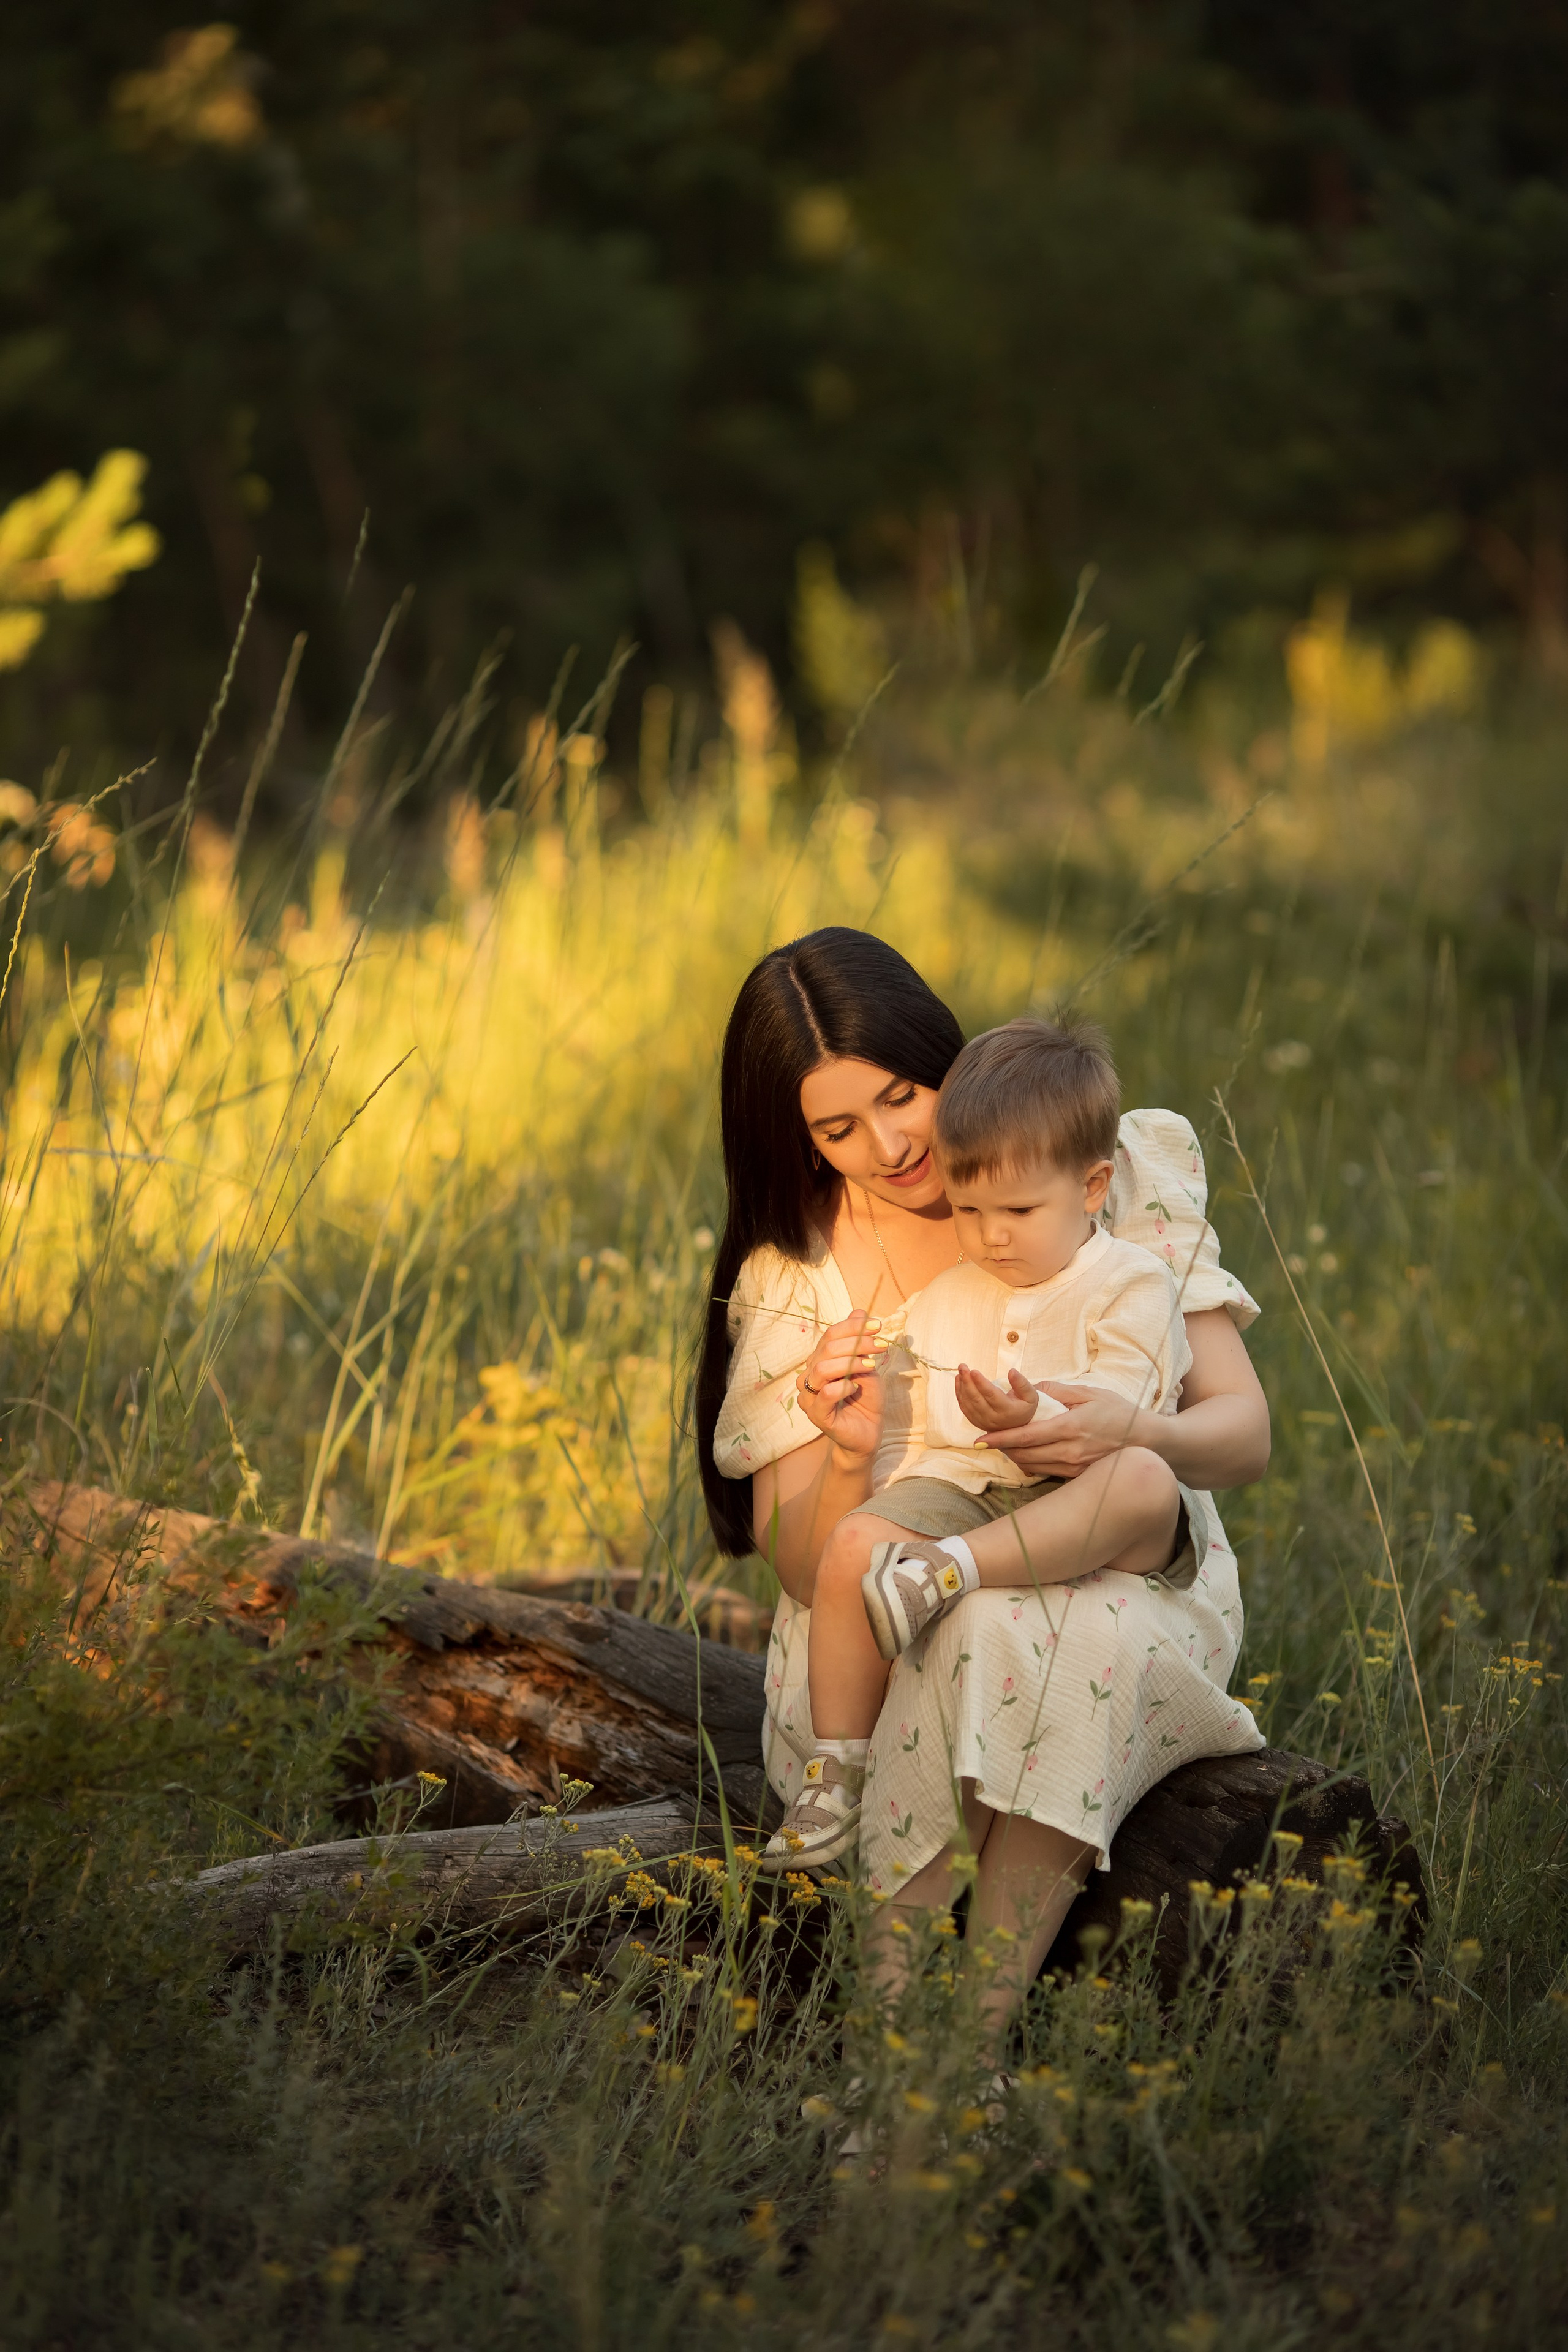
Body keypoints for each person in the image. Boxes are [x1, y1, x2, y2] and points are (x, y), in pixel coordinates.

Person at [695, 927, 1268, 2049]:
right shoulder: (795, 1281)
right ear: (797, 1139)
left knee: (1059, 1626)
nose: (894, 1144)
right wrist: (851, 1449)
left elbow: (1241, 1437)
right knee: (983, 1630)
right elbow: (815, 1572)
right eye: (838, 1127)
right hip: (880, 1636)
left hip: (1128, 1577)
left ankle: (955, 2051)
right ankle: (909, 2046)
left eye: (904, 1094)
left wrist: (1132, 1427)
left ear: (936, 1050)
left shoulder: (1104, 1162)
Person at [759, 1014, 1201, 1871]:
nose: (992, 1235)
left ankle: (950, 1571)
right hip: (966, 1486)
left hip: (1081, 1495)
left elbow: (1127, 1404)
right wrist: (859, 1423)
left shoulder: (1130, 1282)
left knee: (1147, 1478)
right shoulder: (948, 1296)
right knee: (855, 1544)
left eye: (1018, 1211)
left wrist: (1030, 1418)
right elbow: (919, 1438)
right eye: (969, 1212)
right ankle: (836, 1771)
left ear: (1094, 1186)